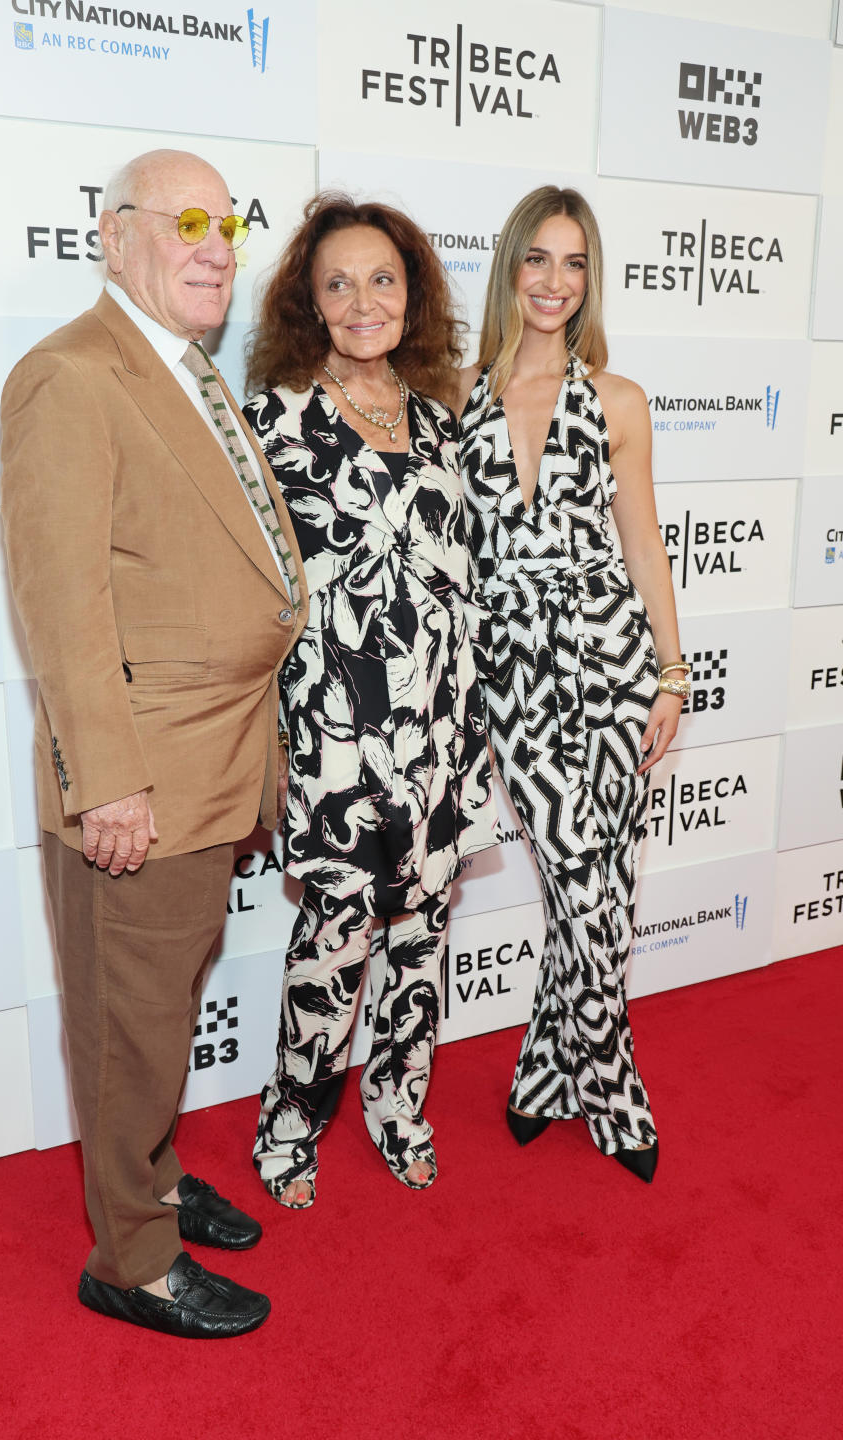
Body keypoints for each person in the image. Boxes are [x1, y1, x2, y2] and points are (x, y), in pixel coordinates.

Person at [0, 148, 307, 1336]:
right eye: (185, 220)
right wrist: (108, 783)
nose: (216, 244)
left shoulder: (188, 371)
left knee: (163, 1007)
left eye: (228, 223)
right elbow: (60, 602)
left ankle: (157, 1183)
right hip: (142, 777)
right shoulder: (71, 377)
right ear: (110, 236)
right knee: (128, 1019)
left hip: (216, 762)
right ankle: (129, 1259)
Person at [243, 194, 497, 1208]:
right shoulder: (274, 421)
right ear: (309, 302)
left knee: (422, 938)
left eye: (382, 279)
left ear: (413, 293)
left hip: (441, 730)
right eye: (337, 282)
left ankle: (399, 1108)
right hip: (338, 737)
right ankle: (290, 1127)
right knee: (334, 943)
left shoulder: (444, 421)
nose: (362, 301)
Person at [457, 187, 689, 1184]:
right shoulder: (455, 400)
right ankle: (612, 1084)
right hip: (512, 666)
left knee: (601, 883)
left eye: (576, 263)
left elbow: (641, 537)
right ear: (509, 268)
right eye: (538, 260)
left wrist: (672, 673)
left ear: (591, 279)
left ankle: (546, 1074)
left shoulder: (618, 398)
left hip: (613, 656)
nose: (555, 282)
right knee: (580, 876)